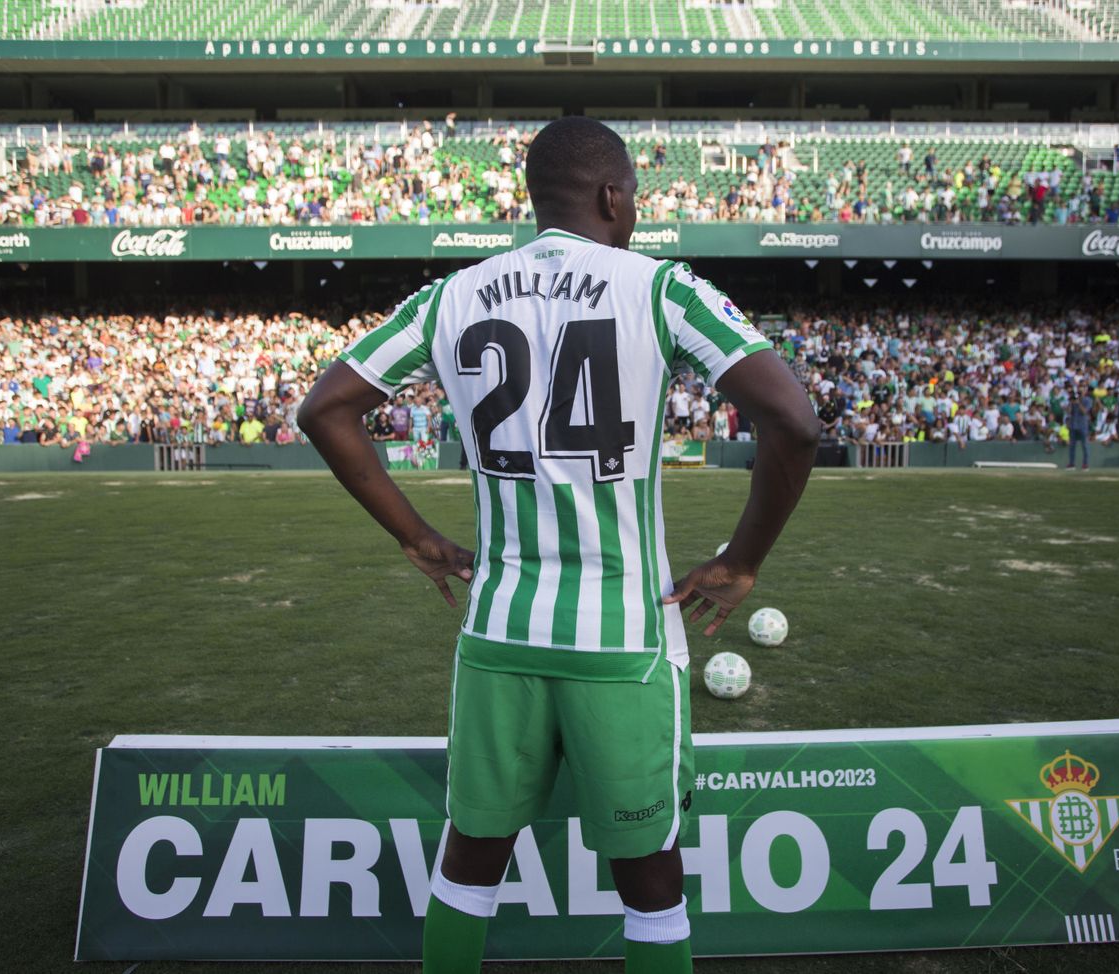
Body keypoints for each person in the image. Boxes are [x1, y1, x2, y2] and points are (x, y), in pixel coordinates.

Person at [298, 115, 819, 974]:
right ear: (614, 196)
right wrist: (739, 561)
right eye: (636, 200)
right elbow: (793, 423)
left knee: (469, 865)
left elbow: (324, 409)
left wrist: (419, 537)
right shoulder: (662, 289)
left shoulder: (450, 297)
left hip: (499, 632)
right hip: (622, 639)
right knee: (650, 880)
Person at [1063, 387, 1092, 470]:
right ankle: (1072, 464)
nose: (1079, 395)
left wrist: (1078, 403)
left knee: (1085, 446)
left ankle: (1085, 464)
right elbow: (1068, 412)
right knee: (1072, 446)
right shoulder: (1073, 402)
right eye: (1078, 393)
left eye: (1080, 393)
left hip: (1082, 425)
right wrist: (1070, 402)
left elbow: (1084, 412)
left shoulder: (1087, 400)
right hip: (1073, 425)